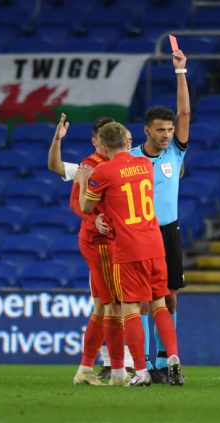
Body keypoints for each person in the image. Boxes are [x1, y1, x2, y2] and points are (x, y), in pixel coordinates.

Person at [77, 122, 184, 386]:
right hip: (155, 242)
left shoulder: (102, 172)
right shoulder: (146, 166)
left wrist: (82, 182)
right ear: (127, 142)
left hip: (129, 247)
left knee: (130, 308)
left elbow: (86, 206)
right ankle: (172, 357)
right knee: (159, 302)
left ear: (102, 145)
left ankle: (141, 371)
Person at [48, 115, 138, 381]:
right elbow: (77, 202)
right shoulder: (90, 165)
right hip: (101, 242)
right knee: (114, 306)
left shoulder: (124, 164)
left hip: (116, 240)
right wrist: (93, 218)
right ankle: (119, 369)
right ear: (98, 141)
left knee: (102, 307)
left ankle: (86, 368)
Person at [129, 48, 190, 383]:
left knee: (170, 296)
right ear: (146, 131)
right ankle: (144, 362)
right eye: (161, 130)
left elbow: (185, 112)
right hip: (140, 234)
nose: (167, 135)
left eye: (170, 130)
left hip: (168, 230)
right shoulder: (130, 159)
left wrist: (181, 73)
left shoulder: (176, 153)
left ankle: (168, 360)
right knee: (140, 300)